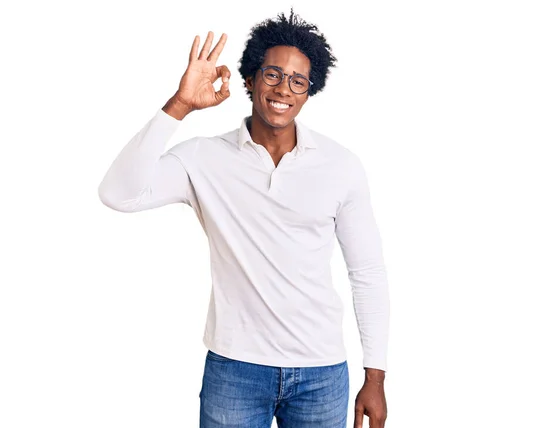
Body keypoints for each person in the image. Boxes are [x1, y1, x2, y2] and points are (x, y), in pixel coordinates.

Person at [98, 10, 390, 428]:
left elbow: (368, 272)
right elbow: (117, 194)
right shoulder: (202, 158)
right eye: (272, 74)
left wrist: (375, 376)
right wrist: (178, 106)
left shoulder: (341, 166)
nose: (283, 89)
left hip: (321, 373)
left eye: (297, 81)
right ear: (250, 80)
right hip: (235, 369)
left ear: (309, 92)